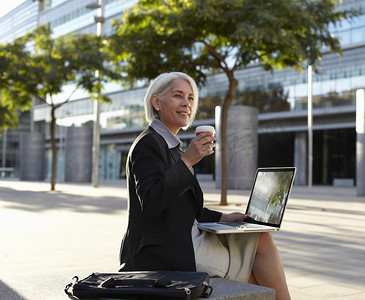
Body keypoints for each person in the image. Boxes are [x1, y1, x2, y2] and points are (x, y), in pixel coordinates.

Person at [119, 72, 290, 300]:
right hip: (165, 250)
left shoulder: (172, 146)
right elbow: (151, 202)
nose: (186, 104)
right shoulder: (148, 144)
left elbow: (184, 208)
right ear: (156, 102)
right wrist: (188, 161)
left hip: (185, 238)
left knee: (261, 238)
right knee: (259, 278)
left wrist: (224, 218)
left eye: (190, 98)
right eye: (178, 96)